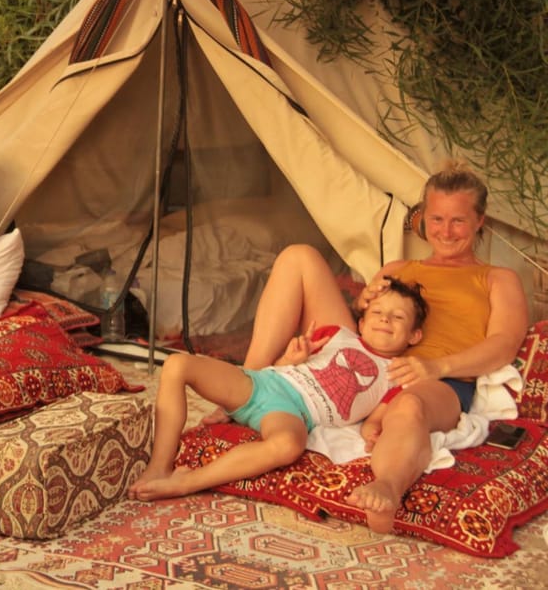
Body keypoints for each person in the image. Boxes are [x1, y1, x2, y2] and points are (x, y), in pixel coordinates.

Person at [200, 161, 529, 532]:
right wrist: (364, 303)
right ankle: (247, 381)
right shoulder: (400, 267)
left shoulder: (496, 278)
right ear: (422, 219)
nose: (446, 232)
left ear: (479, 221)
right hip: (368, 360)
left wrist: (437, 368)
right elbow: (367, 324)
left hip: (436, 379)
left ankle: (387, 486)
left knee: (410, 404)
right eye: (437, 219)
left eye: (458, 221)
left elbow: (503, 345)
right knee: (298, 257)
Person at [129, 277, 428, 501]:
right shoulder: (338, 334)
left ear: (415, 335)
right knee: (177, 365)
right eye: (378, 313)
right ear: (361, 323)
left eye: (398, 317)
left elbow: (378, 418)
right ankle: (159, 466)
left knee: (287, 445)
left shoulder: (396, 375)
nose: (385, 319)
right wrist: (291, 357)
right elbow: (285, 362)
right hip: (263, 383)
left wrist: (373, 432)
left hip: (292, 411)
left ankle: (188, 482)